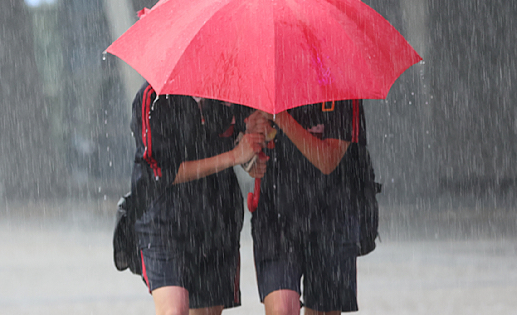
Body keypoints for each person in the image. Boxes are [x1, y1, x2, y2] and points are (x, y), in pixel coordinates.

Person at [130, 82, 265, 315]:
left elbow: (245, 139)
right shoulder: (152, 97)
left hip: (217, 221)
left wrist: (253, 154)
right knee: (174, 310)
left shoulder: (230, 89)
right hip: (164, 223)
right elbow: (161, 173)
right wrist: (233, 156)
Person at [243, 100, 368, 315]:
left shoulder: (343, 89)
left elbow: (327, 160)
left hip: (331, 216)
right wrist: (249, 145)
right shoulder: (264, 77)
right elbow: (241, 143)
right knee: (282, 308)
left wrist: (280, 116)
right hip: (276, 217)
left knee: (324, 310)